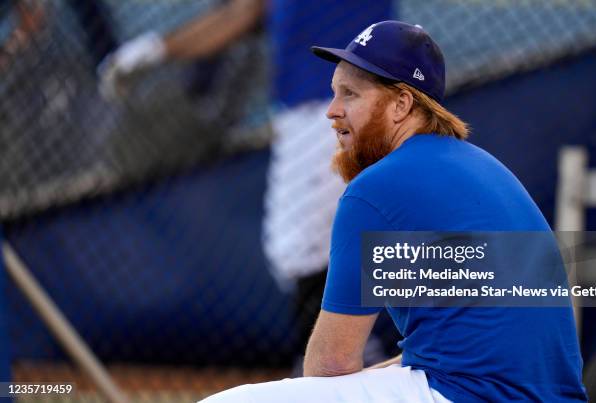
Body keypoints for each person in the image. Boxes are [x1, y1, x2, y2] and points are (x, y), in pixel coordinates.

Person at [199, 20, 587, 402]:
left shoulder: (377, 187)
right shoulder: (482, 167)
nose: (332, 110)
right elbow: (458, 346)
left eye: (350, 94)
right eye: (334, 93)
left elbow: (329, 366)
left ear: (401, 104)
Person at [98, 0, 395, 366]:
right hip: (319, 107)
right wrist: (155, 49)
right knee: (319, 245)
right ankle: (350, 362)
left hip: (334, 106)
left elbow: (243, 11)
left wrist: (154, 50)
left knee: (301, 248)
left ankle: (340, 367)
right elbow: (243, 13)